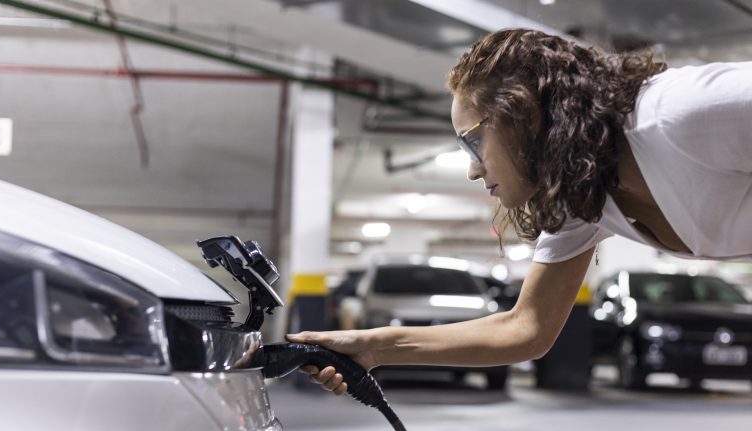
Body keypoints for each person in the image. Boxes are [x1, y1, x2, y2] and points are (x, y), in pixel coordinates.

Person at [288, 28, 752, 396]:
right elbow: (524, 329)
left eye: (472, 141)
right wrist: (375, 348)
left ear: (522, 115)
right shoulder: (582, 198)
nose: (473, 169)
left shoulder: (682, 114)